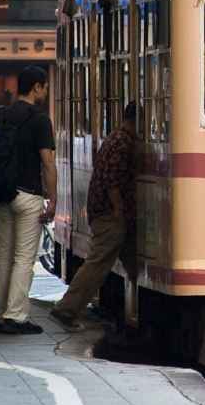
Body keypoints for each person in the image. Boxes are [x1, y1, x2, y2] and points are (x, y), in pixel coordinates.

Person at [51, 102, 140, 330]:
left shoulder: (115, 138)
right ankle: (67, 309)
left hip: (105, 212)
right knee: (97, 263)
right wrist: (118, 209)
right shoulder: (122, 142)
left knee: (118, 261)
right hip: (110, 215)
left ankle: (137, 308)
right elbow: (112, 180)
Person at [0, 66, 57, 335]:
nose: (46, 91)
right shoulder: (40, 120)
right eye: (45, 86)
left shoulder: (1, 116)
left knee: (4, 257)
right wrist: (53, 199)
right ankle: (16, 316)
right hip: (28, 195)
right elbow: (48, 163)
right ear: (37, 87)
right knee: (23, 258)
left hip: (3, 194)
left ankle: (2, 312)